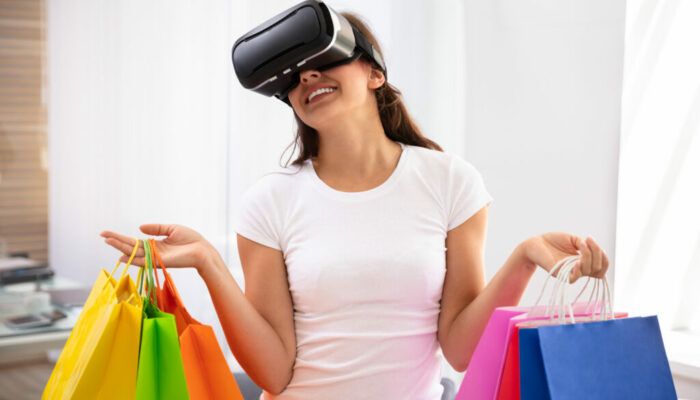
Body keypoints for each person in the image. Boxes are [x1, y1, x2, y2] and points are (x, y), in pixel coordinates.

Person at [100, 11, 609, 400]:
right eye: (293, 76)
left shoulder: (450, 181)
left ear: (374, 74)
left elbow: (459, 350)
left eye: (324, 62)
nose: (307, 78)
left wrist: (523, 257)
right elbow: (274, 370)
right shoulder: (269, 201)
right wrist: (210, 263)